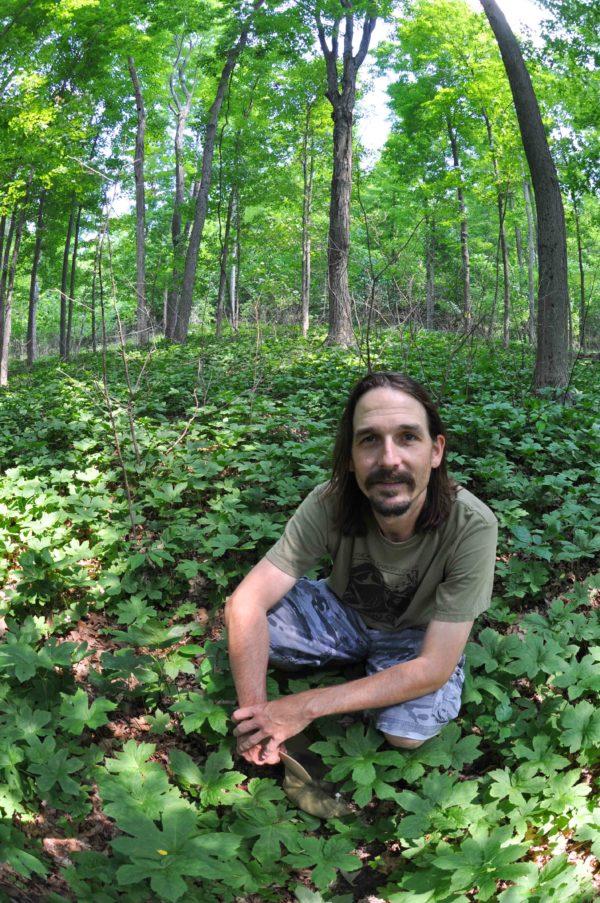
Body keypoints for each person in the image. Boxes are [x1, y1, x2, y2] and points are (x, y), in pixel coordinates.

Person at [225, 372, 497, 766]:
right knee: (255, 629)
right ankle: (365, 674)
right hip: (345, 615)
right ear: (350, 458)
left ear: (436, 451)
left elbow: (434, 666)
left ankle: (369, 681)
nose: (389, 460)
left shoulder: (471, 525)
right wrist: (257, 718)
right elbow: (246, 602)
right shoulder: (330, 502)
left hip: (417, 637)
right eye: (369, 440)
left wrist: (304, 707)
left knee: (406, 732)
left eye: (408, 437)